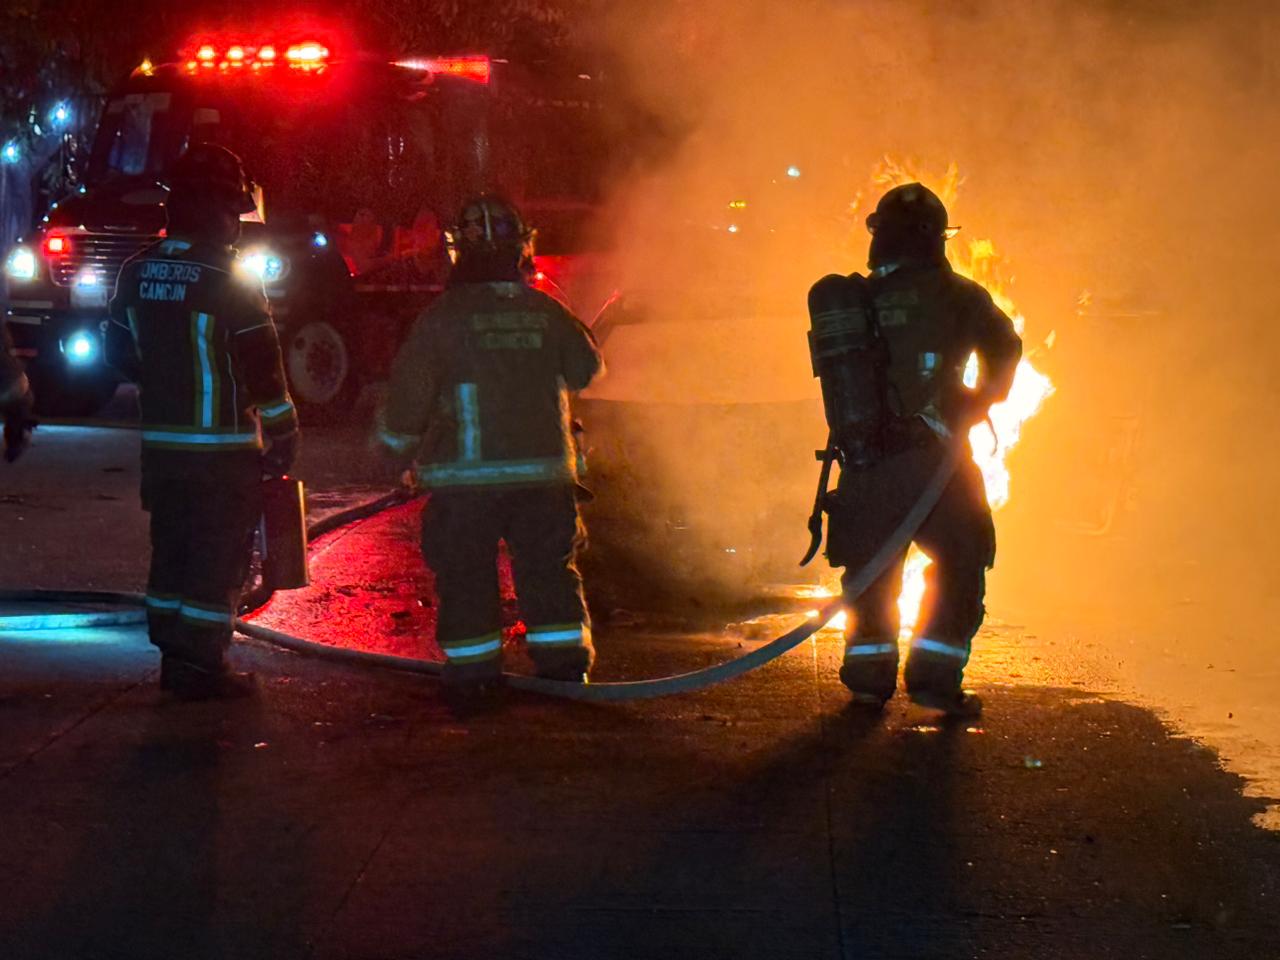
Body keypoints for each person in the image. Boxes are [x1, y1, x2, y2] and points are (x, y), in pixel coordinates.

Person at [376, 195, 603, 707]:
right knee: (548, 571)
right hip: (544, 477)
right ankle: (565, 671)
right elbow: (587, 369)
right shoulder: (547, 312)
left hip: (465, 484)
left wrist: (394, 452)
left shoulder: (441, 319)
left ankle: (475, 678)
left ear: (459, 251)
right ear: (521, 248)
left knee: (466, 574)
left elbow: (408, 398)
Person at [818, 183, 1022, 718]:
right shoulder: (959, 295)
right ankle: (933, 679)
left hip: (866, 465)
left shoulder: (857, 300)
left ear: (880, 236)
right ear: (935, 238)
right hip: (938, 465)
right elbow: (1005, 346)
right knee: (963, 559)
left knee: (871, 575)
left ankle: (868, 680)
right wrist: (978, 400)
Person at [105, 143, 299, 701]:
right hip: (222, 454)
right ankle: (204, 666)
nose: (236, 227)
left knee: (172, 550)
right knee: (217, 557)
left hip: (163, 454)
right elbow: (263, 366)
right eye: (231, 213)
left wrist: (165, 386)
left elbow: (117, 351)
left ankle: (175, 657)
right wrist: (284, 430)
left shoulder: (136, 271)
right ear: (213, 210)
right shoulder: (229, 277)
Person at [0, 317, 34, 462]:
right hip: (11, 383)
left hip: (10, 382)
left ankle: (16, 438)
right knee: (20, 401)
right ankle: (15, 439)